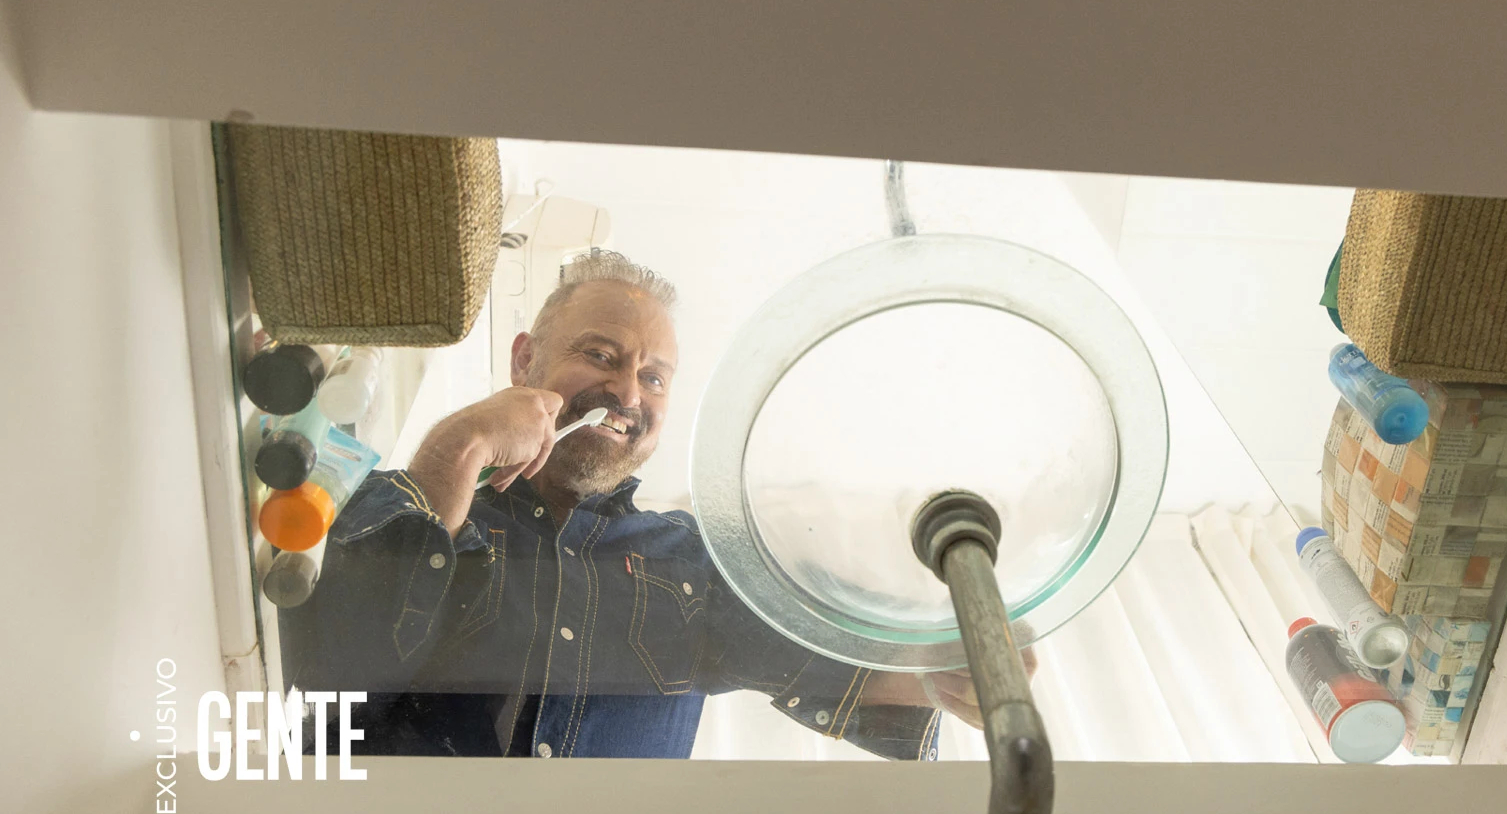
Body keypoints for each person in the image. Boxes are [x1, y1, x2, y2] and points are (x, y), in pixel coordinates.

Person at [281, 250, 995, 760]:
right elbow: (315, 711)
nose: (627, 395)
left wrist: (958, 659)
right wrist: (462, 443)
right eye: (599, 355)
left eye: (654, 378)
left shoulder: (696, 561)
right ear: (525, 358)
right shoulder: (407, 504)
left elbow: (851, 664)